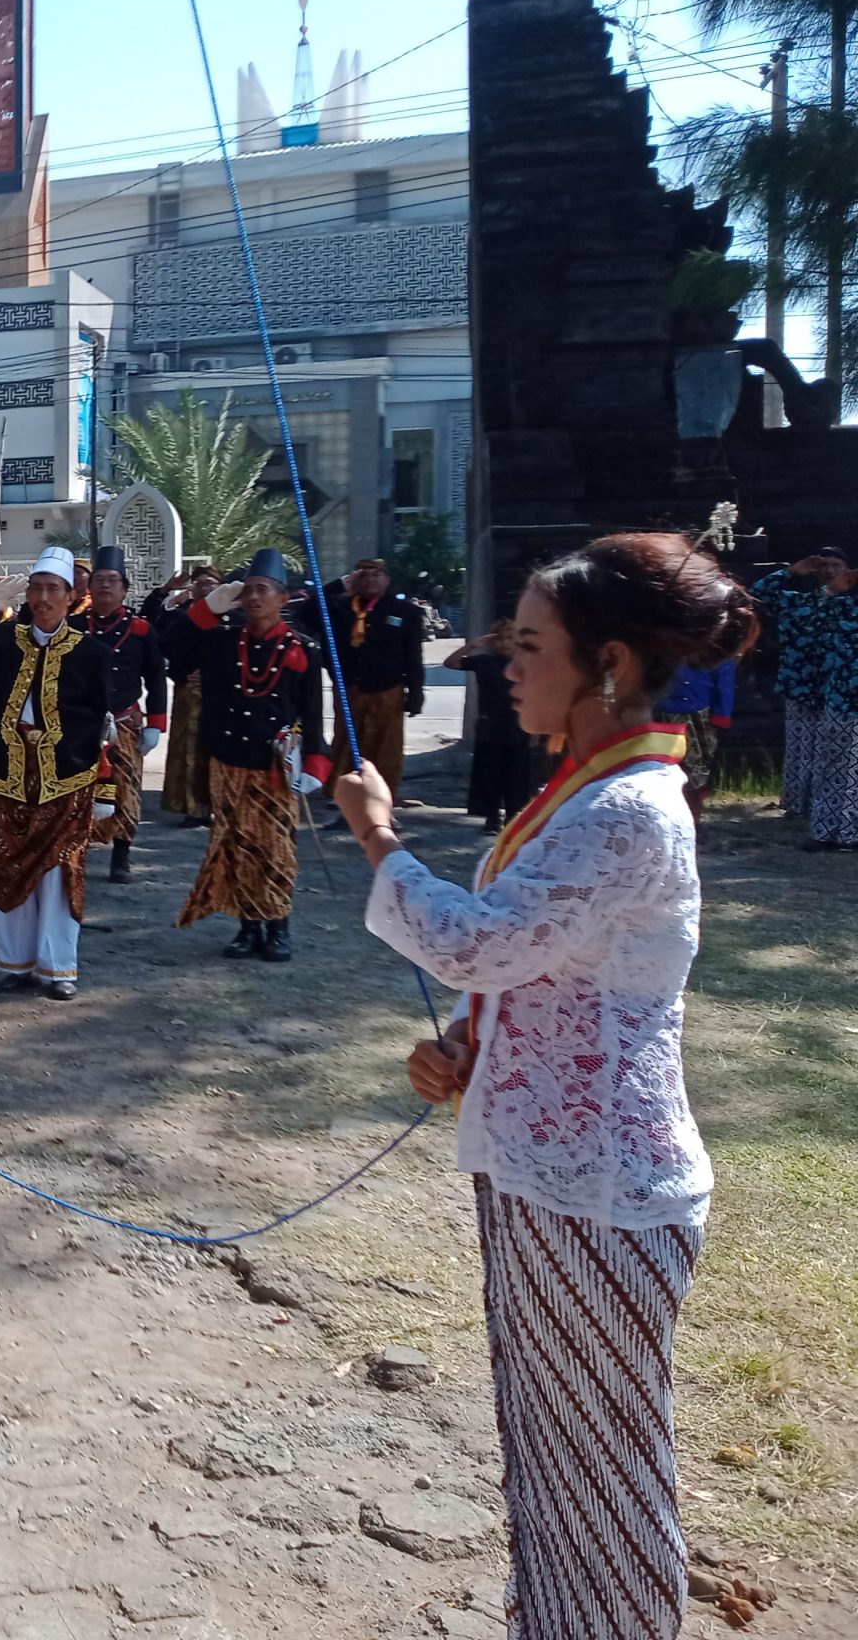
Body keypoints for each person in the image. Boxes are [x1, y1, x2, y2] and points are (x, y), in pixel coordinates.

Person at [338, 531, 758, 1640]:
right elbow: (540, 971)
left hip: (602, 1186)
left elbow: (476, 945)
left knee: (602, 1471)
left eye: (529, 645)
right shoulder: (587, 793)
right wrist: (473, 1050)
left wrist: (382, 839)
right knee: (551, 1454)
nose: (505, 665)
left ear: (607, 664)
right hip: (547, 1168)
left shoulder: (624, 810)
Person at [0, 547, 114, 999]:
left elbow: (103, 721)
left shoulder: (91, 653)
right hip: (4, 774)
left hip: (65, 777)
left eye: (54, 589)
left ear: (73, 597)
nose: (44, 597)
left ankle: (58, 968)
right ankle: (13, 962)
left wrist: (106, 783)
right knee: (5, 865)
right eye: (36, 588)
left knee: (59, 872)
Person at [161, 549, 330, 962]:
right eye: (248, 590)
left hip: (275, 766)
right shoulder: (220, 640)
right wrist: (205, 608)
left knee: (275, 848)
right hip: (228, 758)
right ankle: (247, 926)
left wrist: (316, 764)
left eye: (264, 590)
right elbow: (172, 647)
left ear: (283, 598)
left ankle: (278, 927)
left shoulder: (304, 647)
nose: (255, 598)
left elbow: (311, 711)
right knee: (235, 845)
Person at [301, 557, 429, 807]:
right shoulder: (338, 607)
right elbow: (304, 613)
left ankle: (384, 801)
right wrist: (338, 585)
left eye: (376, 575)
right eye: (364, 575)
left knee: (386, 748)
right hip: (350, 687)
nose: (370, 580)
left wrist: (416, 692)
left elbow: (413, 654)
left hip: (388, 689)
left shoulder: (405, 611)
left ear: (386, 579)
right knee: (346, 745)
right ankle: (345, 800)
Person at [753, 549, 858, 850]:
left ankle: (843, 830)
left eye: (837, 566)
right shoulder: (804, 600)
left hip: (837, 693)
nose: (830, 571)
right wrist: (793, 571)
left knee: (842, 763)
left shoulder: (845, 606)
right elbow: (756, 595)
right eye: (823, 567)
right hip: (811, 687)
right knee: (818, 756)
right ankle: (807, 810)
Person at [79, 547, 168, 881]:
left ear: (124, 588)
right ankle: (76, 849)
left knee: (126, 789)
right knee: (78, 789)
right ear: (89, 587)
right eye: (99, 580)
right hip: (83, 724)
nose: (105, 586)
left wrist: (156, 725)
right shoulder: (74, 624)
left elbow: (156, 677)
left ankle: (121, 856)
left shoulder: (142, 629)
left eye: (112, 580)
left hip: (125, 722)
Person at [449, 620, 535, 834]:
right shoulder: (485, 662)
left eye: (510, 639)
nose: (505, 644)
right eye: (500, 639)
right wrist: (473, 645)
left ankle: (514, 818)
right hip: (490, 725)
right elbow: (450, 663)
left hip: (519, 725)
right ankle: (492, 817)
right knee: (489, 774)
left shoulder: (525, 664)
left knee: (517, 776)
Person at [155, 567, 220, 824]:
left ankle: (216, 803)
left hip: (222, 695)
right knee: (187, 750)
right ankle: (190, 804)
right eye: (199, 583)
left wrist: (214, 674)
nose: (204, 587)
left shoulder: (233, 617)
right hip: (188, 691)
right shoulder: (182, 617)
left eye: (211, 583)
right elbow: (162, 642)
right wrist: (166, 594)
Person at [653, 652, 734, 830]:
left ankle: (692, 822)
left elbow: (724, 674)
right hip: (660, 709)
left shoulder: (714, 639)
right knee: (659, 768)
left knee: (696, 769)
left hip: (697, 711)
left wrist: (722, 713)